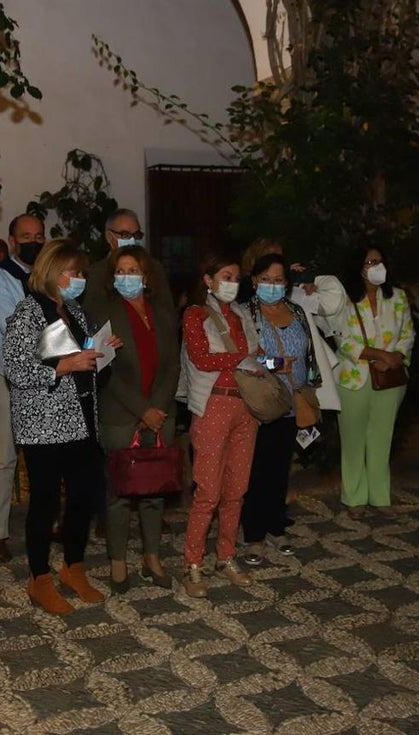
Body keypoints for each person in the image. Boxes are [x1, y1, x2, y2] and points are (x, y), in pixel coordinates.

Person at [2, 238, 118, 614]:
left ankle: (74, 567)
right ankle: (39, 579)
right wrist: (64, 366)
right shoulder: (27, 313)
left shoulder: (75, 312)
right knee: (45, 503)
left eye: (83, 273)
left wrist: (102, 352)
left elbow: (85, 362)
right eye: (73, 272)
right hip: (45, 427)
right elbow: (15, 370)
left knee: (84, 498)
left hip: (82, 421)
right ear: (52, 272)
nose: (79, 278)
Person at [83, 245, 180, 591]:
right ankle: (118, 562)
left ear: (146, 275)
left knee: (155, 490)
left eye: (133, 271)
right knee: (119, 492)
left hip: (161, 413)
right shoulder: (103, 314)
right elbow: (104, 370)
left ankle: (152, 557)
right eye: (121, 272)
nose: (128, 278)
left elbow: (172, 366)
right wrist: (142, 410)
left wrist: (156, 409)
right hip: (120, 414)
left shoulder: (163, 313)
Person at [180, 252, 260, 598]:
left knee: (236, 488)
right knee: (208, 491)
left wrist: (265, 362)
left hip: (246, 406)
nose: (232, 283)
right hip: (213, 404)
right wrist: (241, 359)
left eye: (236, 278)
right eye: (225, 276)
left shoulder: (242, 314)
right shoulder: (196, 314)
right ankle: (192, 563)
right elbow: (201, 357)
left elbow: (257, 355)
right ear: (208, 280)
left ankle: (226, 555)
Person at [240, 254, 322, 561]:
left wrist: (310, 388)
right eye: (266, 280)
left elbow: (310, 354)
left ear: (287, 284)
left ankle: (276, 527)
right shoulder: (246, 313)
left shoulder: (297, 312)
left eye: (278, 281)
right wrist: (273, 363)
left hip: (293, 403)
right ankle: (254, 534)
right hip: (260, 404)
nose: (272, 286)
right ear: (254, 281)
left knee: (280, 470)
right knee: (256, 471)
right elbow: (240, 357)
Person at [329, 244, 415, 517]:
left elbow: (408, 334)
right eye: (368, 262)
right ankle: (354, 497)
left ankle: (380, 496)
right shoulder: (344, 300)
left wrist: (395, 358)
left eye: (378, 261)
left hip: (390, 377)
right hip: (354, 378)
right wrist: (377, 354)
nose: (375, 266)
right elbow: (343, 340)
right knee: (353, 440)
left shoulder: (398, 297)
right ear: (358, 266)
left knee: (382, 437)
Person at [0, 214, 46, 562]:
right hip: (8, 374)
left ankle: (43, 522)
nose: (33, 241)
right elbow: (14, 326)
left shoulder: (49, 275)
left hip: (48, 374)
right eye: (26, 236)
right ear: (13, 240)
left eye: (39, 235)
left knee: (44, 454)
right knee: (5, 455)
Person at [83, 209, 172, 317]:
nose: (133, 240)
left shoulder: (154, 268)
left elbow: (167, 312)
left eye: (137, 235)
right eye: (125, 235)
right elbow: (90, 315)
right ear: (109, 237)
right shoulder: (95, 273)